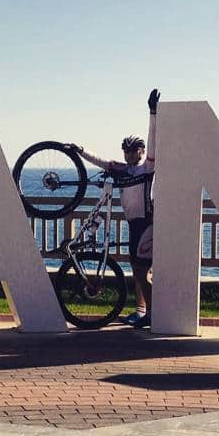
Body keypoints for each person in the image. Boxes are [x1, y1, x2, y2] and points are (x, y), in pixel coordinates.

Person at [71, 88, 159, 329]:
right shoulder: (123, 169)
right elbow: (102, 162)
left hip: (146, 223)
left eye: (134, 150)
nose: (130, 154)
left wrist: (153, 113)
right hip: (133, 225)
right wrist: (80, 151)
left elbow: (153, 142)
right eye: (127, 150)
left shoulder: (147, 168)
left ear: (142, 151)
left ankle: (152, 314)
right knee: (136, 270)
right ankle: (142, 310)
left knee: (142, 272)